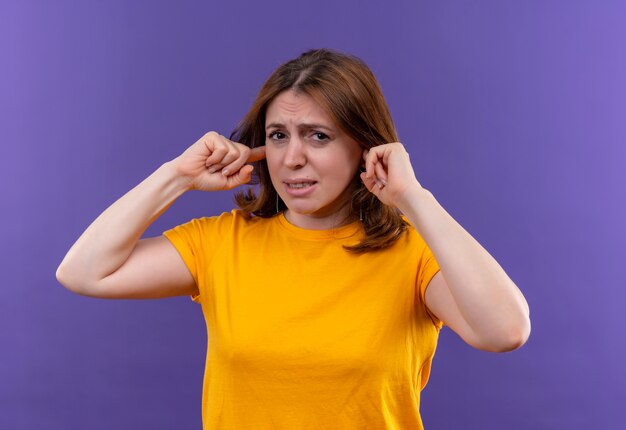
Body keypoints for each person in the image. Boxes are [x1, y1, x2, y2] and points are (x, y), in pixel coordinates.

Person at [57, 48, 530, 429]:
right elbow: (82, 272)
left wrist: (413, 198)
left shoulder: (412, 255)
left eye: (318, 136)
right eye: (278, 136)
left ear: (365, 145)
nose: (291, 158)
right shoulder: (221, 243)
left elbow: (505, 331)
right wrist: (176, 176)